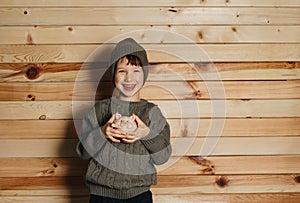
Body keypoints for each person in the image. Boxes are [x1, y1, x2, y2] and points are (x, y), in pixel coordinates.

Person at [76, 38, 172, 203]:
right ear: (113, 74)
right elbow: (83, 152)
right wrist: (102, 132)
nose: (129, 78)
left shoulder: (152, 113)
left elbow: (162, 157)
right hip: (102, 196)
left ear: (145, 74)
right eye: (122, 71)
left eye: (136, 71)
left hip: (139, 196)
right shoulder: (100, 110)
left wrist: (146, 134)